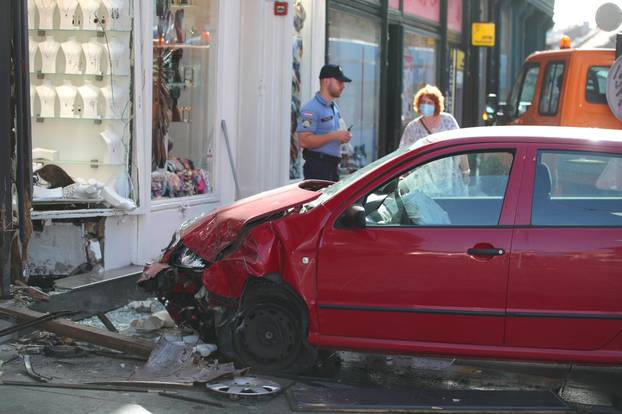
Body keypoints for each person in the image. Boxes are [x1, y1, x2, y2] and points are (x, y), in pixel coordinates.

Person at [399, 84, 469, 184]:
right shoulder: (412, 127)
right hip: (424, 183)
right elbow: (404, 154)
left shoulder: (448, 120)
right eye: (423, 102)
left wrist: (466, 171)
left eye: (429, 102)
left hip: (450, 179)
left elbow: (461, 148)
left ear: (436, 105)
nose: (426, 105)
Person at [297, 64, 352, 181]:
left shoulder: (333, 106)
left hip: (333, 167)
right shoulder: (311, 109)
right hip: (318, 168)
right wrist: (334, 136)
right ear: (326, 81)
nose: (343, 86)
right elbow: (304, 141)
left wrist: (343, 137)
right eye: (339, 82)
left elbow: (333, 134)